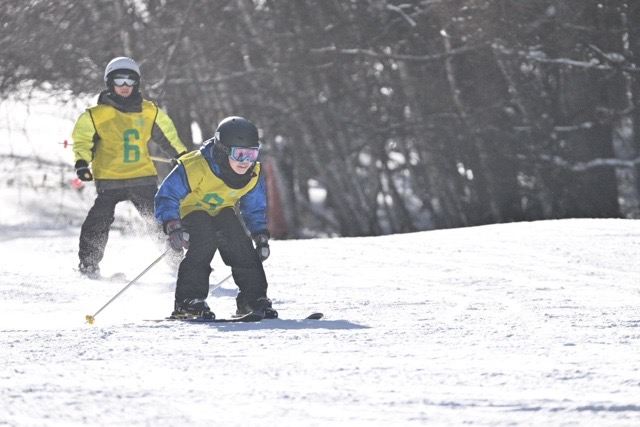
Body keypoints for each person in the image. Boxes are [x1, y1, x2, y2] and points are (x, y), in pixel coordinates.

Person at [72, 56, 188, 278]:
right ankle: (88, 264)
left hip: (142, 177)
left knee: (159, 219)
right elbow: (83, 140)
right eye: (119, 81)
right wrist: (81, 163)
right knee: (98, 221)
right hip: (109, 180)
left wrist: (181, 156)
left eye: (130, 81)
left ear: (137, 83)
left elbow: (168, 136)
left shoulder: (149, 111)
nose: (125, 87)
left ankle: (176, 261)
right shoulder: (95, 115)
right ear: (110, 83)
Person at [154, 116, 276, 320]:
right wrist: (173, 225)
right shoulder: (196, 165)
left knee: (240, 246)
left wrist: (260, 236)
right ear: (223, 149)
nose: (245, 162)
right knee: (204, 239)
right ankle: (188, 302)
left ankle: (253, 299)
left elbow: (254, 208)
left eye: (252, 154)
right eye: (239, 154)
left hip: (221, 210)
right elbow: (167, 195)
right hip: (189, 210)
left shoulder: (253, 173)